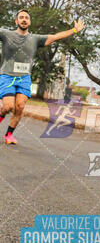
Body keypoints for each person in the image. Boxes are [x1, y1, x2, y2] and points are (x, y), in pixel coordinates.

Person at [0, 9, 85, 144]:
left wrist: (74, 30)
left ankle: (8, 135)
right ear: (16, 21)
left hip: (24, 78)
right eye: (21, 17)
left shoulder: (35, 39)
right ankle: (1, 114)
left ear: (29, 22)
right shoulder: (6, 34)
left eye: (26, 18)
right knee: (8, 107)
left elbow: (56, 36)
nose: (23, 20)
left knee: (20, 107)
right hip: (7, 76)